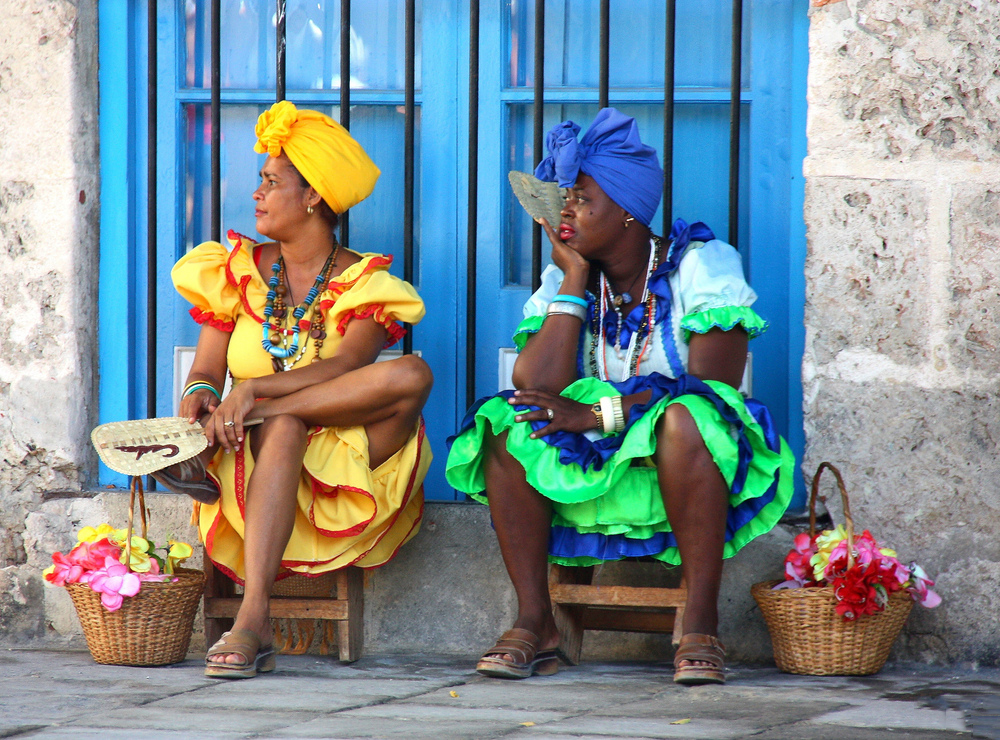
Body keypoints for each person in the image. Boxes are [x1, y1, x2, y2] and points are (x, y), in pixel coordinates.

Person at [446, 108, 793, 685]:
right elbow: (538, 384)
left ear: (628, 212)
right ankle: (537, 621)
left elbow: (715, 386)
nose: (566, 212)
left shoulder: (701, 266)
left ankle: (702, 622)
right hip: (597, 455)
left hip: (688, 458)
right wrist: (574, 281)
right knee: (505, 418)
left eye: (582, 198)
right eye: (565, 200)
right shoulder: (567, 279)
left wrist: (596, 413)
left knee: (687, 415)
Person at [155, 101, 433, 679]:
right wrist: (202, 395)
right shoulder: (236, 270)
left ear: (312, 197)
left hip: (345, 451)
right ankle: (252, 620)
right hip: (257, 455)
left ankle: (259, 417)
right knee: (284, 426)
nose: (256, 192)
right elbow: (207, 367)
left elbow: (346, 367)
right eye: (260, 180)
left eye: (271, 181)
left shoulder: (364, 281)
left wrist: (254, 390)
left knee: (412, 374)